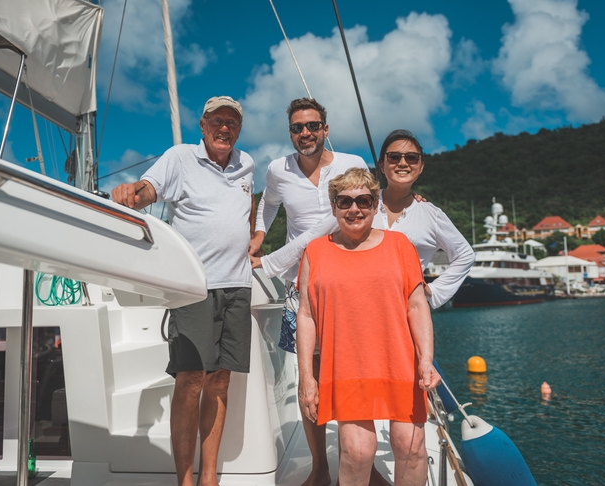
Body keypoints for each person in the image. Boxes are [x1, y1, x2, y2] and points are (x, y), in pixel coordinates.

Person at [111, 95, 254, 486]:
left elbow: (246, 209)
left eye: (232, 122)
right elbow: (148, 190)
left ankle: (210, 477)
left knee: (221, 379)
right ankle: (185, 480)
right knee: (190, 380)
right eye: (217, 121)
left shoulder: (247, 165)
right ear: (203, 125)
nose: (225, 128)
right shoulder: (180, 157)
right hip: (195, 286)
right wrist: (131, 193)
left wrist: (253, 241)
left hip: (238, 285)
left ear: (238, 129)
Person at [247, 97, 367, 486]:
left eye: (313, 126)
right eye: (297, 128)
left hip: (351, 281)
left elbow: (372, 211)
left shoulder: (352, 165)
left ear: (325, 129)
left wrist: (272, 259)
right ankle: (320, 466)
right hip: (303, 286)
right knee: (309, 376)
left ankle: (361, 459)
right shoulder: (278, 170)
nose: (305, 133)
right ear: (290, 133)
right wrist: (259, 236)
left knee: (355, 371)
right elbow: (268, 203)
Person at [297, 168, 441, 486]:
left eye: (363, 200)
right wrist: (307, 377)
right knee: (357, 452)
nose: (354, 209)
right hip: (346, 366)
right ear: (333, 206)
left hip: (400, 363)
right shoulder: (315, 252)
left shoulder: (400, 245)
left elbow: (417, 306)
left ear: (375, 205)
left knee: (412, 447)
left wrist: (426, 360)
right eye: (344, 201)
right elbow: (306, 316)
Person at [373, 130, 474, 309]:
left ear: (420, 167)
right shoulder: (361, 203)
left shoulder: (431, 214)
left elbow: (465, 255)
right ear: (382, 165)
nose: (402, 163)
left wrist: (434, 292)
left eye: (411, 158)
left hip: (406, 312)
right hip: (355, 307)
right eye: (394, 157)